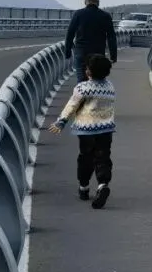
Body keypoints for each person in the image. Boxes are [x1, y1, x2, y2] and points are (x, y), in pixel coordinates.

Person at [48, 53, 116, 208]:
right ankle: (102, 184)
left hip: (86, 130)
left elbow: (72, 105)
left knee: (86, 158)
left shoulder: (82, 88)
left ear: (89, 72)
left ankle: (84, 187)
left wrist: (61, 121)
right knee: (103, 158)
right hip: (106, 130)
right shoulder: (109, 87)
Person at [64, 0, 117, 84]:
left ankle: (83, 93)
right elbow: (111, 37)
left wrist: (67, 52)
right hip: (98, 55)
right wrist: (113, 55)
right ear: (98, 2)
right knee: (97, 80)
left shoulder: (78, 14)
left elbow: (70, 34)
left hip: (81, 52)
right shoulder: (105, 16)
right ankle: (96, 93)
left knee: (81, 81)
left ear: (85, 1)